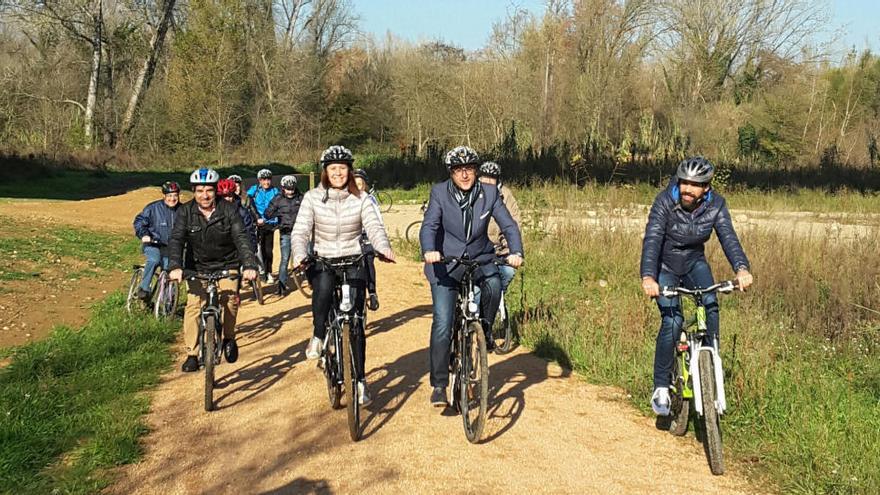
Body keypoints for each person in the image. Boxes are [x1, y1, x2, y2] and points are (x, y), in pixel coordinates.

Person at [640, 156, 754, 416]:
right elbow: (653, 239)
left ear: (706, 188)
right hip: (665, 266)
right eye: (684, 183)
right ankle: (661, 387)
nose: (687, 189)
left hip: (694, 263)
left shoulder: (716, 206)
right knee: (672, 321)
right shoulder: (664, 202)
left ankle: (710, 364)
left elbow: (729, 239)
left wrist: (742, 269)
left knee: (711, 304)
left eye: (695, 184)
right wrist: (649, 277)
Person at [419, 146, 524, 407]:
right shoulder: (439, 193)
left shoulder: (490, 193)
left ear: (476, 171)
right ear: (451, 173)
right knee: (443, 323)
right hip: (446, 262)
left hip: (480, 258)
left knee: (494, 283)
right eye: (458, 170)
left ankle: (485, 330)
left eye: (469, 169)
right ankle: (440, 384)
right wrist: (430, 250)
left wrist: (516, 251)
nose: (464, 175)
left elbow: (508, 224)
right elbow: (430, 225)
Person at [291, 145, 395, 406]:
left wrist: (382, 248)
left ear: (349, 171)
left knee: (357, 325)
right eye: (333, 168)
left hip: (353, 259)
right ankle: (317, 335)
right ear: (325, 172)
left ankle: (360, 381)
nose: (338, 173)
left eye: (343, 168)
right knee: (324, 290)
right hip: (323, 258)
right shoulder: (313, 198)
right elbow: (301, 230)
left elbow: (373, 225)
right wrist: (299, 254)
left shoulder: (361, 198)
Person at [168, 168, 259, 373]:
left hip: (227, 264)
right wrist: (175, 265)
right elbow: (176, 240)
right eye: (199, 191)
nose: (205, 195)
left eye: (208, 190)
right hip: (197, 266)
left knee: (229, 300)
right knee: (193, 307)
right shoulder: (185, 211)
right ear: (193, 191)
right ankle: (192, 353)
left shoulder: (228, 209)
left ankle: (229, 338)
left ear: (215, 190)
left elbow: (241, 238)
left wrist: (249, 264)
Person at [132, 181, 181, 302]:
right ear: (164, 196)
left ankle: (168, 302)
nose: (172, 198)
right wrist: (144, 234)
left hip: (171, 248)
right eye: (169, 195)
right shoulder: (153, 208)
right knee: (154, 259)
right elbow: (139, 221)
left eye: (175, 195)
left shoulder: (182, 210)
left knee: (170, 269)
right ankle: (144, 289)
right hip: (153, 244)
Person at [479, 161, 522, 293]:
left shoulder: (506, 196)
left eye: (492, 178)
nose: (488, 181)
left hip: (498, 251)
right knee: (476, 292)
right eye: (485, 177)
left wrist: (512, 251)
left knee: (508, 272)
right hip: (476, 252)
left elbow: (513, 225)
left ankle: (496, 298)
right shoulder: (472, 192)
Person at [265, 175, 303, 296]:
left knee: (306, 256)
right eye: (287, 189)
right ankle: (281, 286)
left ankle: (313, 280)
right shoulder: (278, 199)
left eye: (292, 189)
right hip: (285, 232)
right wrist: (277, 213)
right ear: (283, 188)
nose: (290, 191)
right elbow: (267, 213)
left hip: (300, 232)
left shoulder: (301, 198)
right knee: (285, 259)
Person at [353, 168, 382, 310]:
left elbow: (378, 219)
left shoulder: (370, 199)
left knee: (368, 260)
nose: (358, 187)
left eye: (360, 184)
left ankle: (372, 292)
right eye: (355, 183)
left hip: (367, 235)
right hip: (351, 236)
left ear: (365, 185)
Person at [246, 169, 279, 283]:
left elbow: (278, 206)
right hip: (257, 224)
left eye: (268, 179)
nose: (266, 182)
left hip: (270, 224)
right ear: (259, 180)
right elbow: (247, 201)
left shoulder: (275, 191)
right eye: (263, 179)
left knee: (268, 250)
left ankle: (268, 272)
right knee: (258, 250)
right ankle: (259, 272)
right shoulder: (254, 190)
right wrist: (255, 218)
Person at [217, 178, 257, 250]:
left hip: (239, 249)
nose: (227, 199)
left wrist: (252, 248)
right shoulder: (214, 211)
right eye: (224, 196)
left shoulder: (242, 211)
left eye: (229, 196)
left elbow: (249, 231)